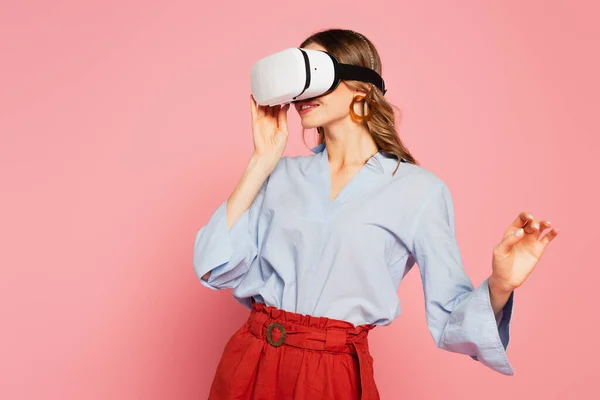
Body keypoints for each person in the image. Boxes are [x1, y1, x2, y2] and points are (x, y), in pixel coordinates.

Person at [193, 29, 559, 399]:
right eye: (297, 84)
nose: (302, 96)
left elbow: (451, 317)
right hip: (252, 360)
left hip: (332, 374)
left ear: (362, 87)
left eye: (314, 76)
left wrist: (500, 285)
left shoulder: (418, 191)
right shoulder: (281, 175)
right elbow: (215, 267)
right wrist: (261, 160)